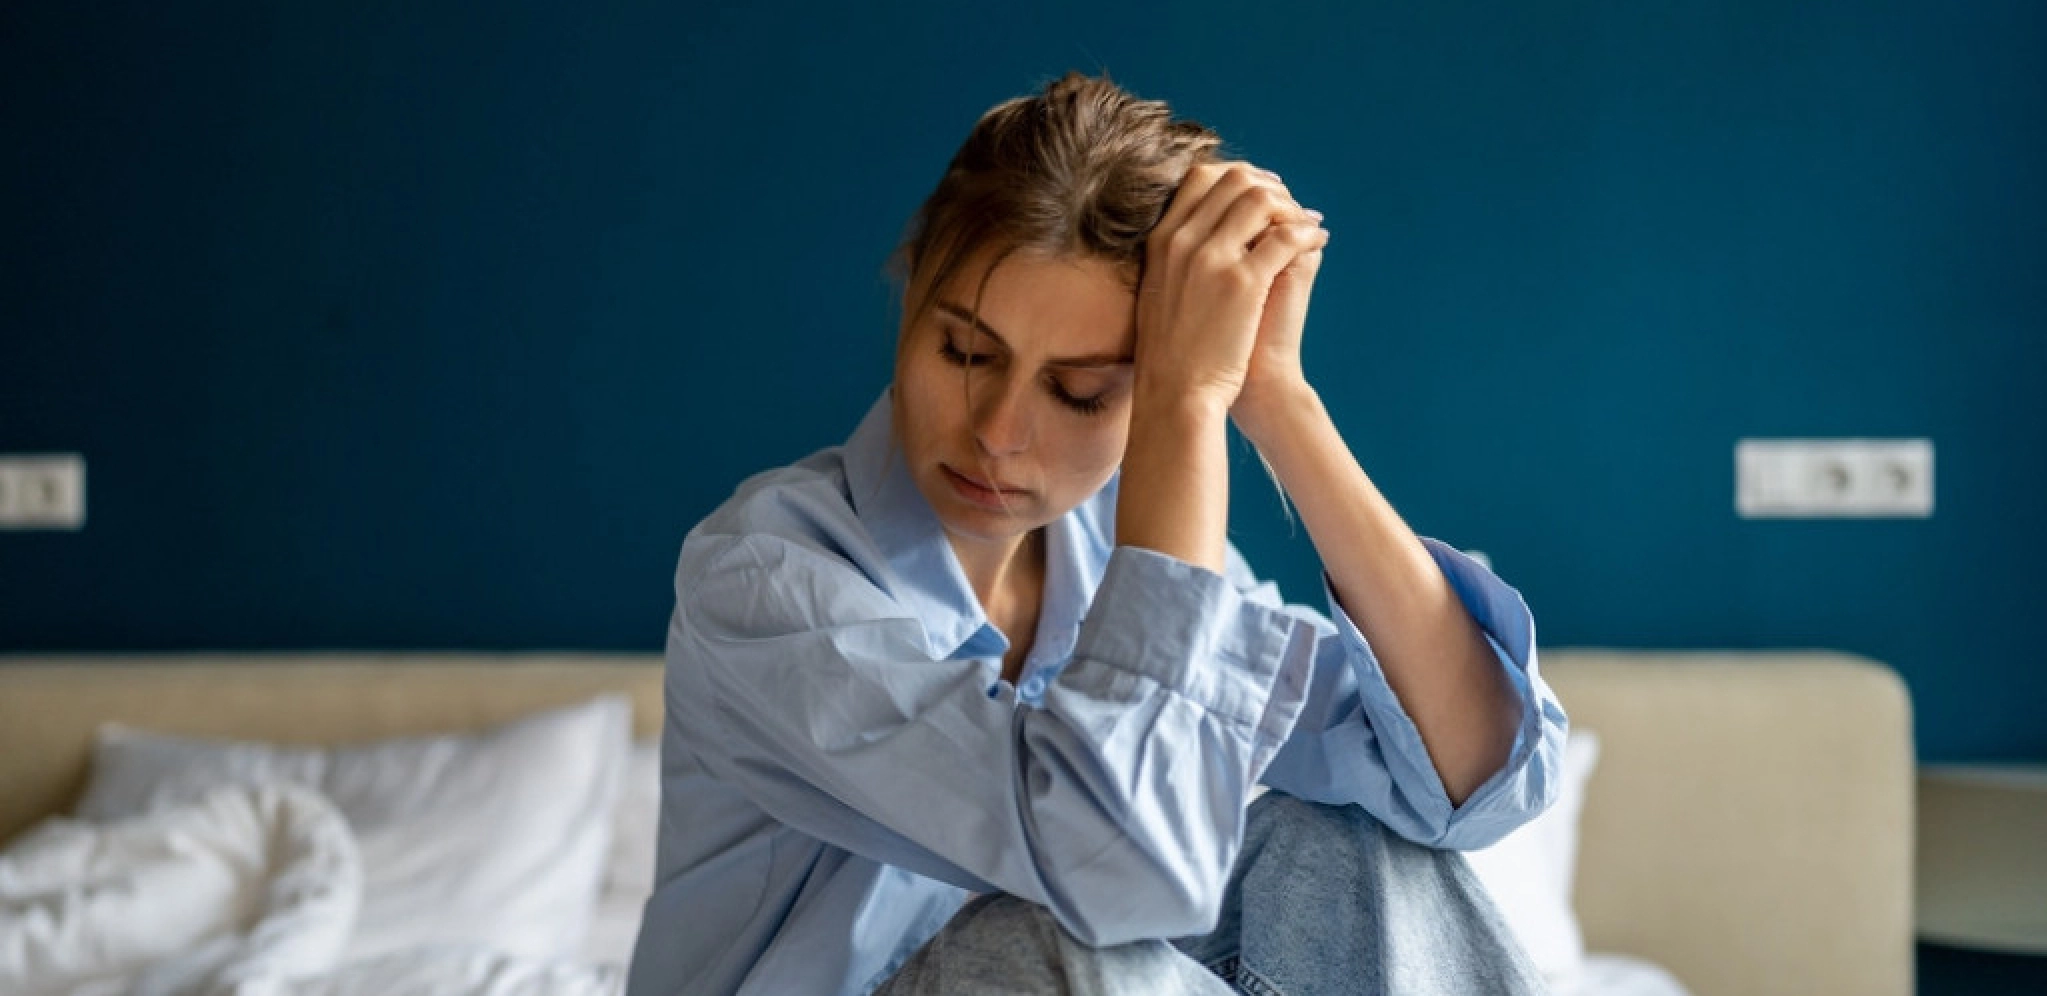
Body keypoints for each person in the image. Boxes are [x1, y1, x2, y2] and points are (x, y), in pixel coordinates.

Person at [626, 69, 1567, 996]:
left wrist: (1274, 395)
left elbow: (1471, 779)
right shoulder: (764, 578)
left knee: (1359, 847)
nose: (998, 433)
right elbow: (1123, 870)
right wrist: (1182, 409)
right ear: (910, 297)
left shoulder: (1130, 559)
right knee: (1068, 941)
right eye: (965, 352)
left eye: (1079, 392)